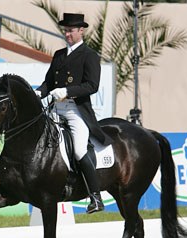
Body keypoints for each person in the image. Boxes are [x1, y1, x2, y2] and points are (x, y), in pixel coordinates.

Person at [35, 13, 112, 214]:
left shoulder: (89, 55)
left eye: (71, 30)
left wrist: (67, 91)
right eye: (65, 30)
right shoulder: (59, 55)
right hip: (55, 109)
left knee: (79, 150)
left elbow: (92, 85)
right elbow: (49, 82)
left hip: (75, 110)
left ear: (81, 31)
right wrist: (38, 92)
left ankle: (96, 197)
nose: (67, 34)